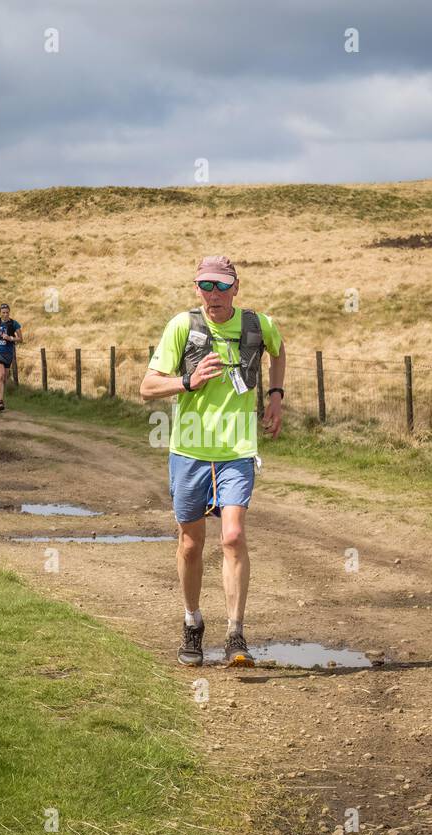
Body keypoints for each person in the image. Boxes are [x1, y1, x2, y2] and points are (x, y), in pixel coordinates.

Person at [139, 255, 286, 667]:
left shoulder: (258, 325)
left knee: (234, 536)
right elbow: (146, 388)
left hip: (237, 451)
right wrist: (187, 381)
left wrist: (276, 396)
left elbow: (279, 350)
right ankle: (192, 621)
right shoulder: (182, 326)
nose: (214, 294)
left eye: (222, 286)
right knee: (190, 543)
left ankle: (236, 633)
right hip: (189, 452)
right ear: (196, 288)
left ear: (236, 287)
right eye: (207, 286)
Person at [0, 303, 22, 412]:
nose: (5, 314)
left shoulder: (14, 324)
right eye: (3, 312)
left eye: (7, 312)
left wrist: (10, 338)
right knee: (1, 375)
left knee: (4, 379)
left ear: (9, 312)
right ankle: (1, 402)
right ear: (0, 313)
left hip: (8, 353)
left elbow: (20, 338)